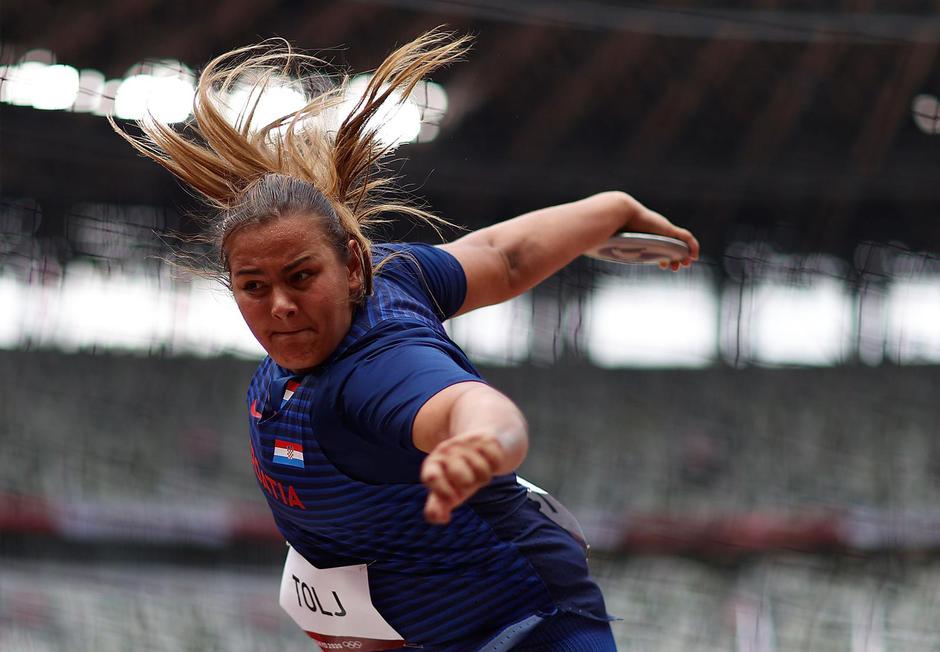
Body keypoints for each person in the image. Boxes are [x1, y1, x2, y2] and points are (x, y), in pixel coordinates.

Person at [112, 29, 698, 652]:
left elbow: (466, 405)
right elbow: (499, 256)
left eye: (301, 277)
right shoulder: (398, 274)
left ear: (352, 265)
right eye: (253, 286)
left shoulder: (374, 373)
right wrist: (605, 211)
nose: (279, 305)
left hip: (521, 630)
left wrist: (479, 443)